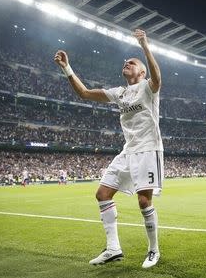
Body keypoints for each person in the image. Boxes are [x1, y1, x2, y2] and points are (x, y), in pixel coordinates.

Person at [54, 29, 163, 269]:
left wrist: (145, 46)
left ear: (141, 71)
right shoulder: (119, 92)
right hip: (128, 151)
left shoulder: (147, 87)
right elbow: (84, 93)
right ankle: (113, 248)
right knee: (102, 194)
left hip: (148, 149)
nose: (127, 63)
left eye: (132, 63)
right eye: (126, 62)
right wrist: (67, 68)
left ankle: (154, 251)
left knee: (144, 202)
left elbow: (157, 77)